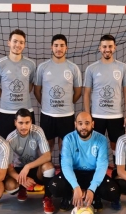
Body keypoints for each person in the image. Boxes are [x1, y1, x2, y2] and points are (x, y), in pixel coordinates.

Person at [49, 112, 121, 212]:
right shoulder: (68, 139)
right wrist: (75, 186)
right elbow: (66, 165)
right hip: (74, 173)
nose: (83, 127)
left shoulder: (101, 139)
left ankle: (95, 196)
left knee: (112, 191)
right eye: (80, 123)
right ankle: (69, 195)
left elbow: (102, 166)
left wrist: (92, 188)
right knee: (54, 187)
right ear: (75, 124)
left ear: (92, 124)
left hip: (93, 173)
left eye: (87, 123)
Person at [83, 34, 126, 168]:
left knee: (115, 144)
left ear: (114, 48)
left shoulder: (123, 67)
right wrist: (88, 115)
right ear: (100, 48)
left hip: (116, 116)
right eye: (104, 46)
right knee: (94, 144)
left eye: (110, 46)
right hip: (97, 116)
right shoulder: (91, 68)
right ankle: (94, 171)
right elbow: (86, 93)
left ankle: (118, 172)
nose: (107, 49)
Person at [34, 34, 82, 164]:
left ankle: (63, 175)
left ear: (66, 48)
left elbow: (78, 91)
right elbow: (37, 91)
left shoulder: (73, 68)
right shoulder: (43, 67)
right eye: (56, 45)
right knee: (47, 146)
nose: (59, 48)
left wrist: (67, 103)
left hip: (66, 115)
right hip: (47, 115)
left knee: (64, 146)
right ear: (51, 47)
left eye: (62, 45)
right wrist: (46, 104)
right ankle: (46, 175)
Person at [5, 108, 55, 214]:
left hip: (35, 168)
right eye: (20, 123)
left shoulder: (38, 131)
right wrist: (21, 179)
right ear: (15, 123)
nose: (24, 126)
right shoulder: (10, 139)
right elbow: (8, 166)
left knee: (48, 167)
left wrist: (28, 166)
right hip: (19, 170)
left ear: (31, 122)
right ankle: (22, 188)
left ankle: (47, 197)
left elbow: (47, 156)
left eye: (27, 122)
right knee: (10, 187)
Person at [0, 29, 36, 139]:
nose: (18, 45)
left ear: (24, 45)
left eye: (21, 42)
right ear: (9, 43)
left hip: (26, 111)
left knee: (29, 145)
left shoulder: (31, 64)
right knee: (6, 144)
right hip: (6, 111)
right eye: (15, 41)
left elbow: (30, 85)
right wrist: (6, 97)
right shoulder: (0, 64)